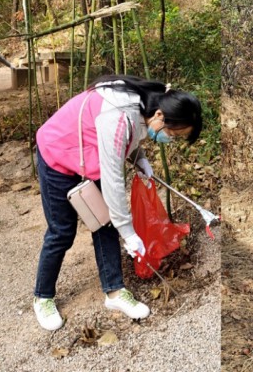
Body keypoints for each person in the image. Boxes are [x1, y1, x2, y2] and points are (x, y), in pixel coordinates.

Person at [33, 75, 203, 331]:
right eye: (172, 134)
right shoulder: (118, 116)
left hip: (88, 155)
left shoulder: (142, 105)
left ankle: (114, 292)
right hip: (57, 154)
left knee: (106, 224)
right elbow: (113, 179)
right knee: (61, 232)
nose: (171, 139)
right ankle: (43, 297)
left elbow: (131, 137)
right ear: (160, 115)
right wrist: (129, 233)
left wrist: (139, 158)